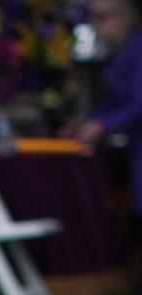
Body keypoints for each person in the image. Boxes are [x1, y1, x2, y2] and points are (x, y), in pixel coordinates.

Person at [70, 0, 142, 236]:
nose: (96, 26)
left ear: (125, 16)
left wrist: (100, 125)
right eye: (92, 18)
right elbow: (117, 102)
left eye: (103, 17)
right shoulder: (123, 50)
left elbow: (137, 101)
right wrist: (87, 124)